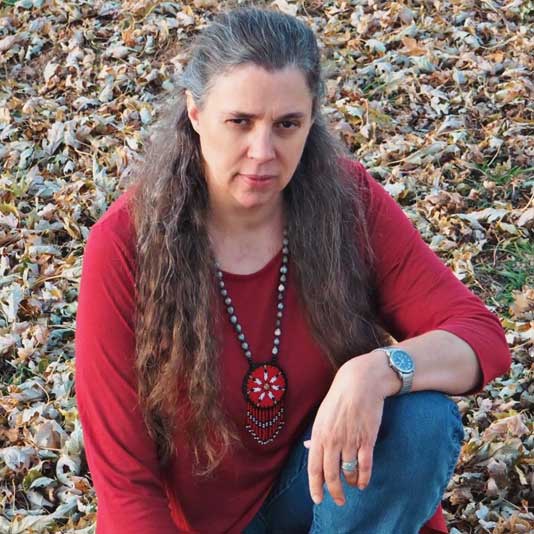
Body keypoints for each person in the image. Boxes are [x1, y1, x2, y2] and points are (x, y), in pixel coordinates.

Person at [74, 7, 511, 534]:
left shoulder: (348, 204)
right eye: (240, 122)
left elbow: (480, 337)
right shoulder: (126, 245)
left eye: (287, 124)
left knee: (420, 422)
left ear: (311, 119)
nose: (263, 153)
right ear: (194, 112)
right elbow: (126, 486)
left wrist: (375, 371)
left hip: (334, 505)